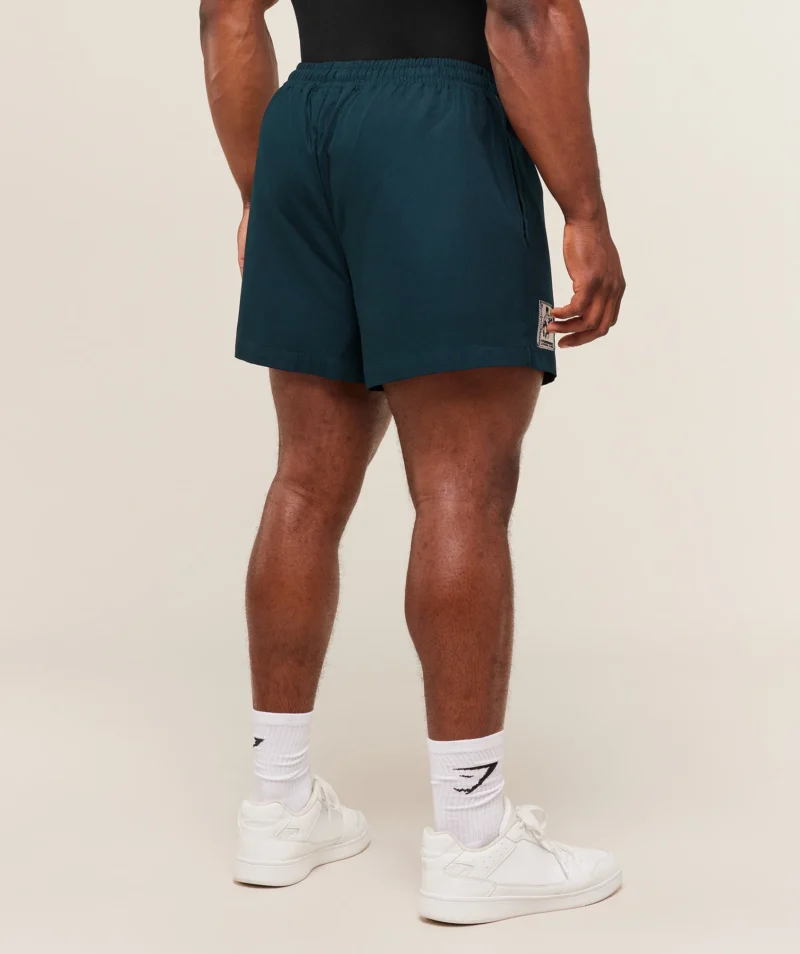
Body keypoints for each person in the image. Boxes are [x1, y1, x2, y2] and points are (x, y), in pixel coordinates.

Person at [199, 0, 625, 924]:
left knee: (304, 481)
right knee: (462, 487)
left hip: (305, 128)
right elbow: (526, 14)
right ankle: (474, 841)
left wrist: (261, 192)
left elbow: (227, 14)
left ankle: (279, 807)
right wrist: (585, 213)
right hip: (441, 129)